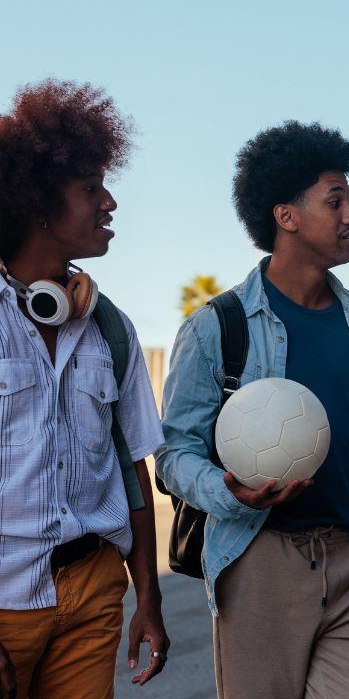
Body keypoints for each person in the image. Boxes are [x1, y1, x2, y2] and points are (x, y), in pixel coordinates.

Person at [155, 121, 349, 699]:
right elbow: (174, 455)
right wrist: (231, 492)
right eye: (336, 201)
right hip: (259, 561)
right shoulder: (216, 326)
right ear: (286, 216)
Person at [0, 79, 169, 698]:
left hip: (94, 595)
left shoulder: (111, 329)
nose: (110, 202)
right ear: (39, 205)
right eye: (91, 188)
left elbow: (132, 468)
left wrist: (148, 595)